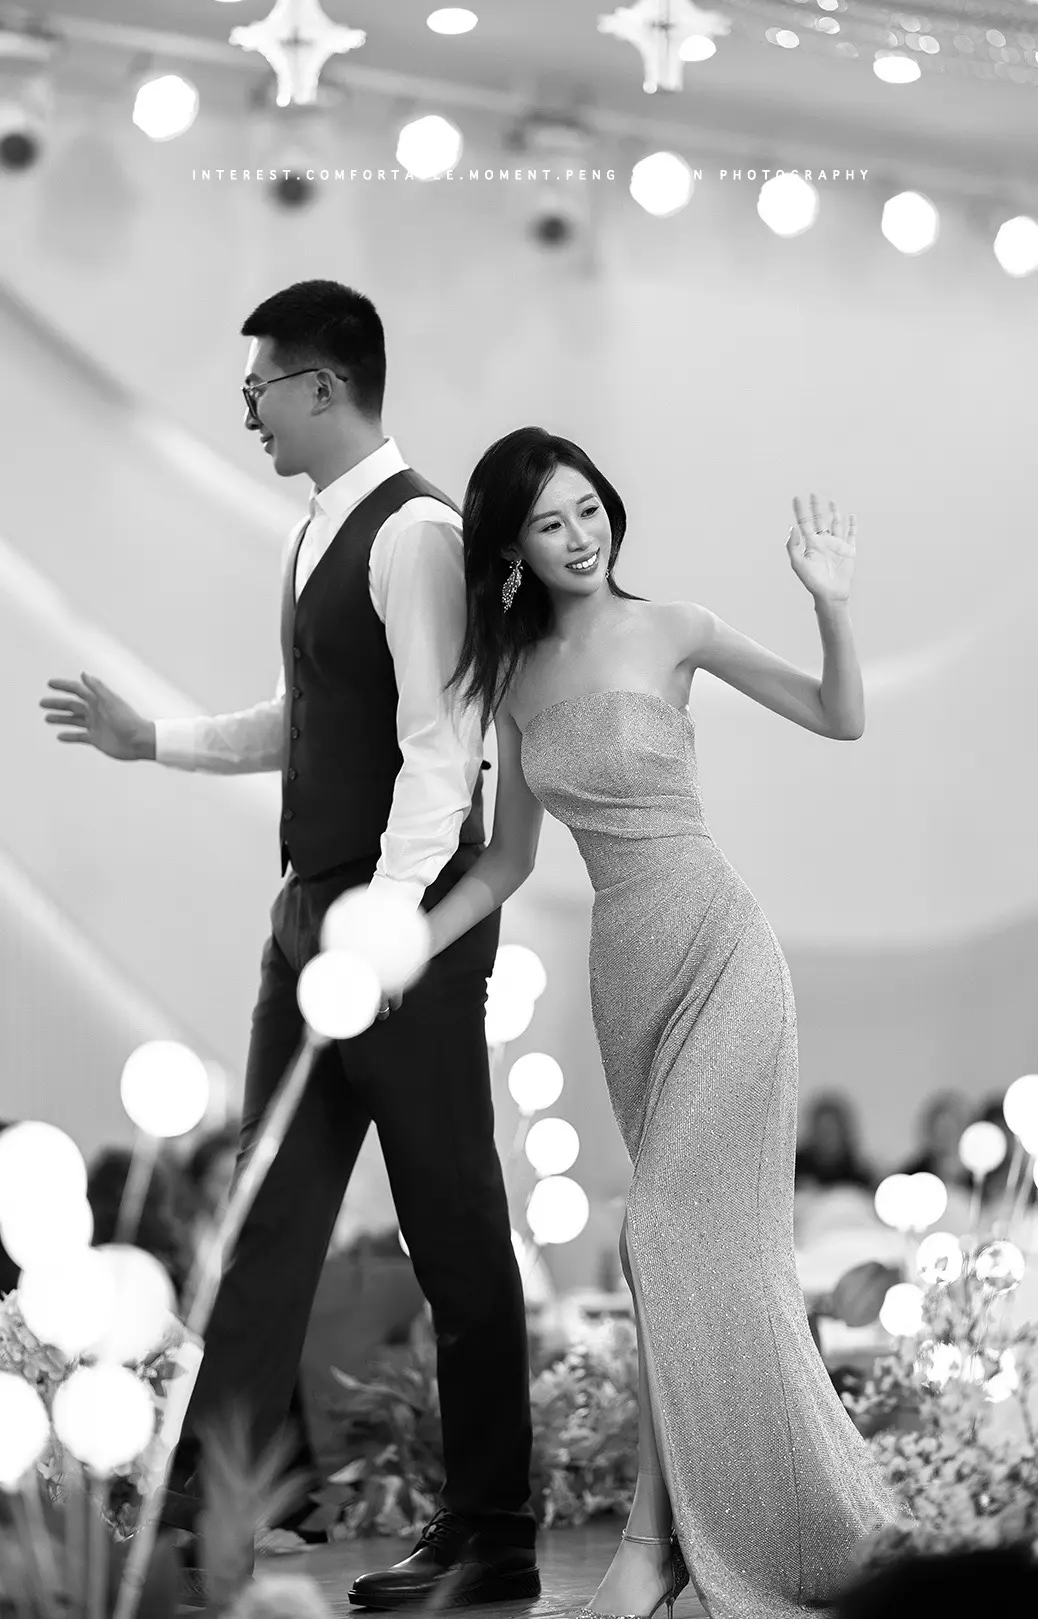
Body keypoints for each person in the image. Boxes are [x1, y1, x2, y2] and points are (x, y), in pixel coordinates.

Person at [39, 281, 537, 1610]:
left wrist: (384, 924)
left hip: (398, 930)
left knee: (453, 1230)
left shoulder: (419, 533)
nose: (248, 409)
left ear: (324, 385)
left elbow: (442, 749)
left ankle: (493, 1530)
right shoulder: (316, 528)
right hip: (309, 914)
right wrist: (155, 739)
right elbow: (303, 716)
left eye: (259, 386)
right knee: (263, 1222)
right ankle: (214, 1511)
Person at [415, 427, 905, 1619]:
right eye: (550, 522)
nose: (580, 536)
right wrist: (413, 945)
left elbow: (839, 715)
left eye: (588, 508)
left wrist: (831, 604)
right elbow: (510, 859)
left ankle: (652, 1543)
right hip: (626, 974)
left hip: (722, 948)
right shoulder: (514, 681)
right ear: (513, 549)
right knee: (697, 1256)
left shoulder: (675, 626)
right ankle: (714, 1527)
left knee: (661, 1234)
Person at [794, 1093, 876, 1192]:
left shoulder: (858, 1174)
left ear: (843, 1132)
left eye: (831, 1130)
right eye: (822, 1130)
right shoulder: (794, 1168)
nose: (826, 1136)